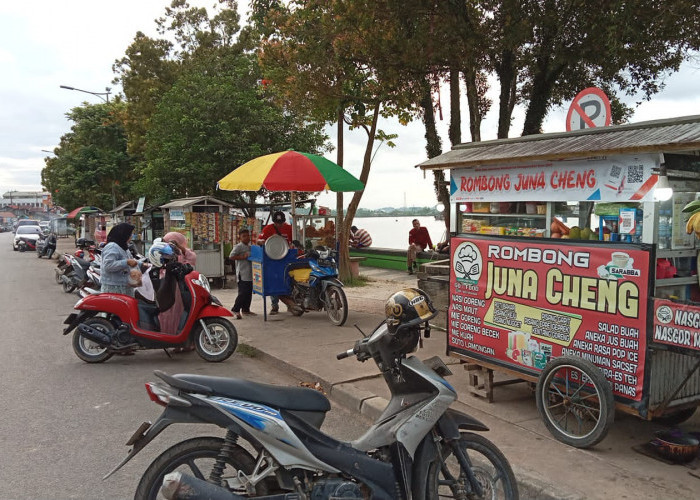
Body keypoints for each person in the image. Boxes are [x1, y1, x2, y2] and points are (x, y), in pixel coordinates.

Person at [160, 232, 196, 352]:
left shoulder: (185, 252)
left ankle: (187, 342)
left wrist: (180, 248)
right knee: (171, 314)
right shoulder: (165, 252)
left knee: (185, 313)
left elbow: (192, 259)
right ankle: (174, 341)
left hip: (184, 288)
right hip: (170, 288)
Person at [257, 211, 293, 314]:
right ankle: (274, 306)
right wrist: (265, 242)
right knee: (274, 281)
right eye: (277, 223)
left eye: (281, 223)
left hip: (287, 259)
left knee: (288, 281)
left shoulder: (289, 228)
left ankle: (290, 305)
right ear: (273, 222)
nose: (279, 225)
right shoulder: (268, 228)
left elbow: (295, 240)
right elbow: (258, 241)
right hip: (272, 260)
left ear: (284, 221)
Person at [100, 223, 137, 296]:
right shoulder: (112, 247)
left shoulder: (124, 247)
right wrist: (126, 262)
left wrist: (143, 264)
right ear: (123, 234)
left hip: (124, 286)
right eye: (129, 234)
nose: (131, 236)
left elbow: (131, 261)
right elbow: (108, 266)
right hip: (113, 288)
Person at [229, 229, 256, 319]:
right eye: (244, 236)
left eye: (247, 235)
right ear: (240, 237)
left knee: (248, 293)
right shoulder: (238, 247)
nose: (246, 237)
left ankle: (246, 309)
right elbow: (231, 256)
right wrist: (242, 257)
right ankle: (235, 309)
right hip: (242, 273)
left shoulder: (250, 246)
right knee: (243, 293)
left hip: (250, 273)